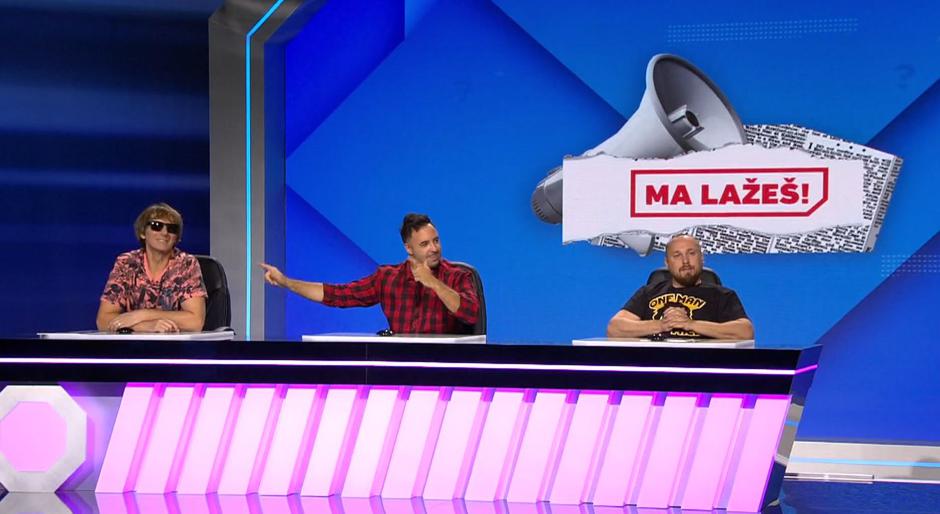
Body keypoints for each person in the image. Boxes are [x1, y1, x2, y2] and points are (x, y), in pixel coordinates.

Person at [260, 213, 480, 334]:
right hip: (399, 367)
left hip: (442, 367)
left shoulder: (458, 276)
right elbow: (338, 295)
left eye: (436, 241)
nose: (434, 248)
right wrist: (286, 282)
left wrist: (433, 282)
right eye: (425, 244)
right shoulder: (388, 277)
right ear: (409, 248)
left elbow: (470, 314)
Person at [606, 234, 754, 340]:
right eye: (677, 255)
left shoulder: (722, 296)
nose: (685, 261)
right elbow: (614, 328)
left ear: (702, 258)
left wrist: (690, 324)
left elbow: (745, 332)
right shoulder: (648, 292)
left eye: (691, 253)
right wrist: (662, 325)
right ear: (667, 263)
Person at [96, 203, 207, 333]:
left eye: (172, 229)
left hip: (175, 344)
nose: (165, 233)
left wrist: (142, 315)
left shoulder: (186, 264)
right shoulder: (126, 264)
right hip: (132, 344)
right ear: (143, 232)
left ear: (177, 237)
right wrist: (145, 327)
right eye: (156, 226)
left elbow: (195, 322)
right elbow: (103, 320)